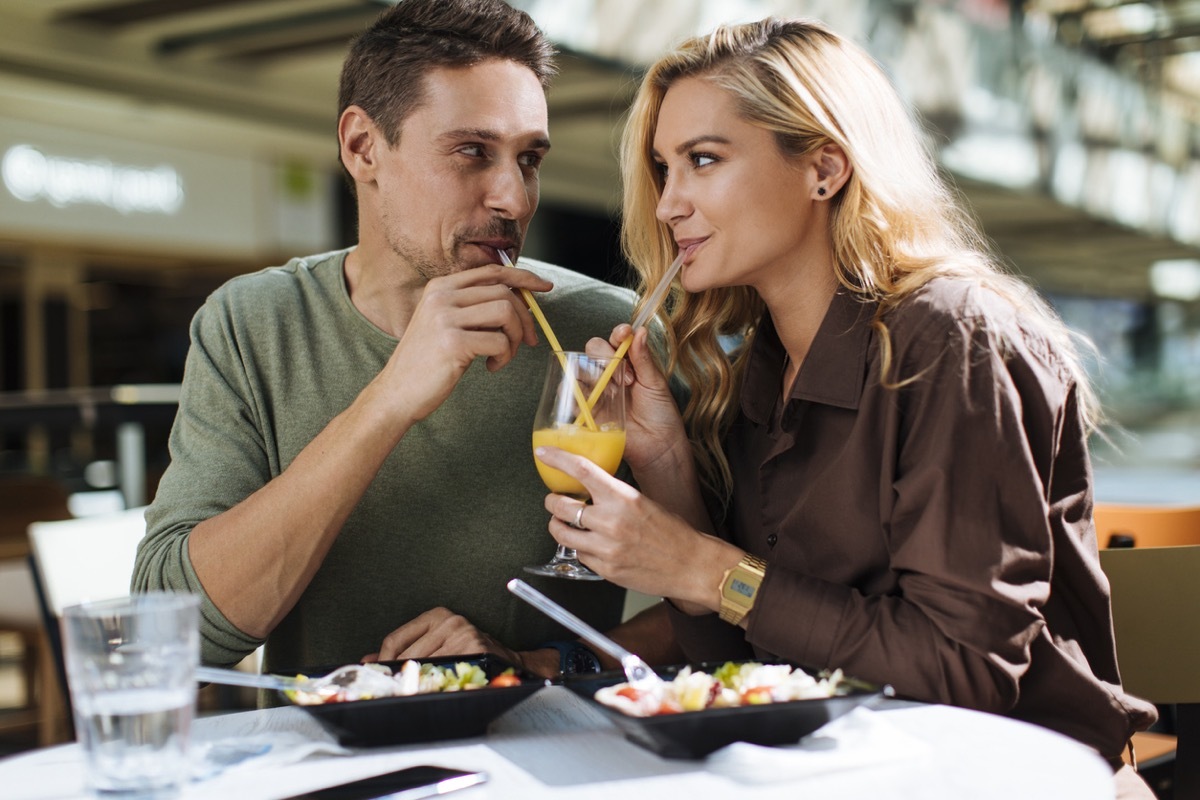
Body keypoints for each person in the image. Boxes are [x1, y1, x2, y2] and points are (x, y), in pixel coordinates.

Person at [533, 18, 1157, 796]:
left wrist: (710, 565)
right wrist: (663, 462)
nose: (668, 204)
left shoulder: (954, 339)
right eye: (664, 169)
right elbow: (733, 658)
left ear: (824, 168)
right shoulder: (756, 367)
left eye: (703, 160)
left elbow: (965, 671)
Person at [132, 0, 678, 681]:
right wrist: (390, 397)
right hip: (329, 770)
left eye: (529, 158)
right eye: (472, 152)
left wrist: (538, 663)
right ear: (363, 147)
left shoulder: (609, 333)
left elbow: (727, 605)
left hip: (559, 762)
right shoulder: (252, 323)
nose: (513, 197)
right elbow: (174, 635)